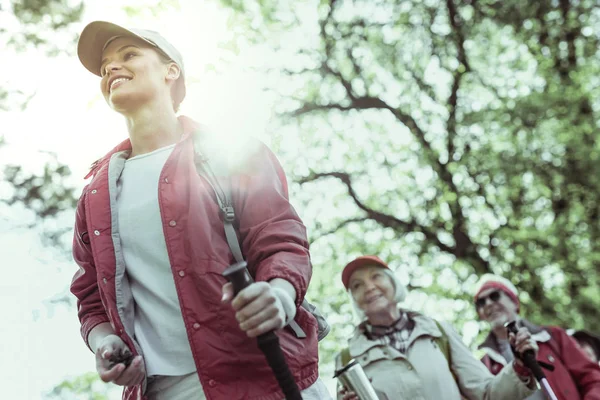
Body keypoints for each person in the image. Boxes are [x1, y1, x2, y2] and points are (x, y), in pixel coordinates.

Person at [70, 21, 331, 400]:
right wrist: (104, 343)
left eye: (128, 55)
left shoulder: (228, 151)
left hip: (264, 378)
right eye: (105, 65)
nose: (111, 68)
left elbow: (278, 238)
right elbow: (90, 296)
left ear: (170, 71)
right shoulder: (95, 194)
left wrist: (279, 296)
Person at [335, 256, 537, 400]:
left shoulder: (440, 332)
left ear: (393, 282)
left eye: (376, 276)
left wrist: (519, 367)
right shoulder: (348, 360)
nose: (369, 287)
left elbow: (487, 393)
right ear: (353, 299)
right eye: (357, 285)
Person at [474, 274, 600, 400]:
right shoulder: (483, 365)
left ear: (514, 302)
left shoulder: (552, 336)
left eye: (494, 296)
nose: (488, 304)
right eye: (481, 302)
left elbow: (592, 377)